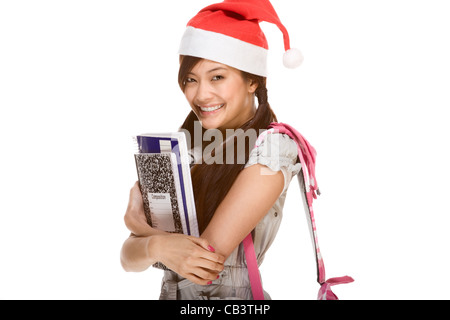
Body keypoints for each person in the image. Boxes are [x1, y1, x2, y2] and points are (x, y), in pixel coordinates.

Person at [120, 0, 305, 300]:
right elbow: (126, 259)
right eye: (191, 79)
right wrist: (155, 246)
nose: (201, 94)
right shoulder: (185, 146)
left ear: (252, 81)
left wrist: (136, 225)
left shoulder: (272, 148)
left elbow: (204, 261)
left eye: (217, 77)